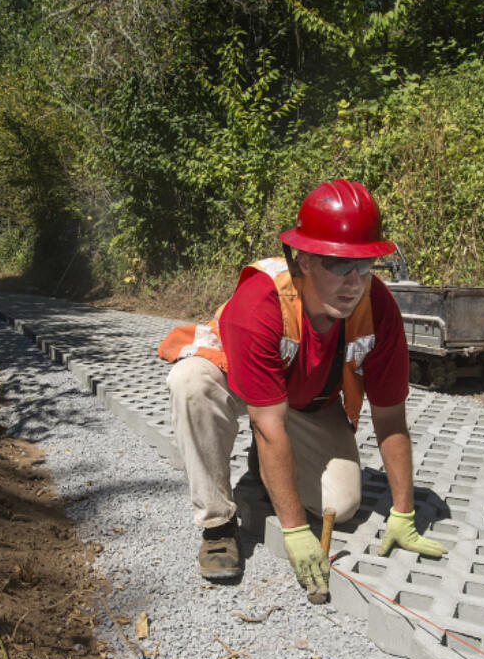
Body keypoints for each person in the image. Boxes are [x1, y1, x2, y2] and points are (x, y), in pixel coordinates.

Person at [157, 179, 448, 603]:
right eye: (337, 265)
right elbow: (267, 423)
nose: (353, 282)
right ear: (304, 260)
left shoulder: (378, 306)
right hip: (241, 385)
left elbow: (390, 416)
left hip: (308, 401)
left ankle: (267, 468)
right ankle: (218, 525)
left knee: (341, 506)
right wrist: (293, 531)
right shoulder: (261, 301)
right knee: (190, 384)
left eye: (364, 266)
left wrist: (402, 512)